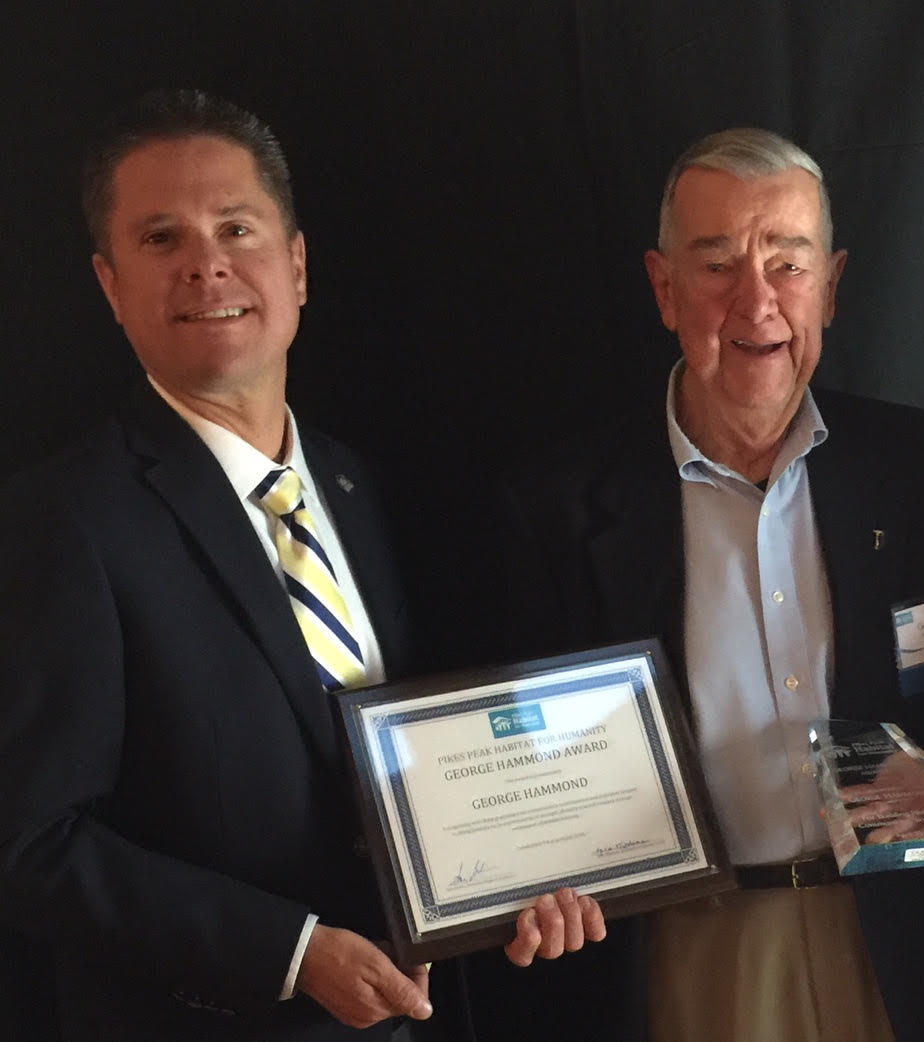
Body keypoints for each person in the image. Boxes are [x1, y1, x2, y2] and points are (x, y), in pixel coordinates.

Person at [0, 88, 601, 1042]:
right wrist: (290, 951)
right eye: (162, 239)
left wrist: (525, 875)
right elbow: (29, 845)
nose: (207, 263)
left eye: (236, 227)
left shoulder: (365, 490)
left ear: (297, 265)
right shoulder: (61, 520)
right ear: (111, 286)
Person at [465, 128, 924, 1042]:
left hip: (901, 940)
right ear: (663, 285)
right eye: (716, 264)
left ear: (830, 288)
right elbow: (526, 767)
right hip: (690, 949)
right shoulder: (555, 506)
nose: (755, 301)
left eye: (787, 263)